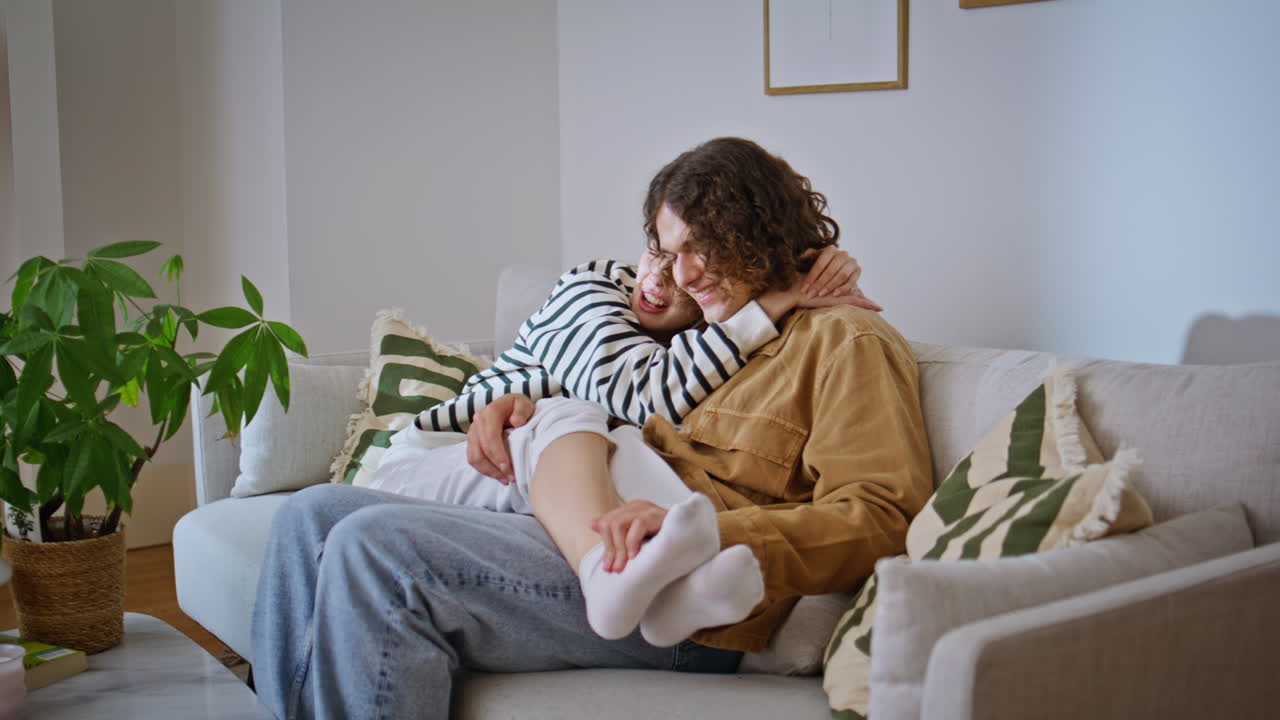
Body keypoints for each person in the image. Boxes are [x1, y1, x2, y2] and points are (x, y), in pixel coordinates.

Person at [251, 137, 931, 719]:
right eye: (669, 250)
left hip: (683, 593)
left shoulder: (845, 341)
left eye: (703, 248)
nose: (684, 275)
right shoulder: (704, 328)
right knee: (308, 518)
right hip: (588, 526)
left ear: (760, 232)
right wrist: (515, 410)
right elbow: (620, 407)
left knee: (380, 550)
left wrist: (708, 535)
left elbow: (882, 516)